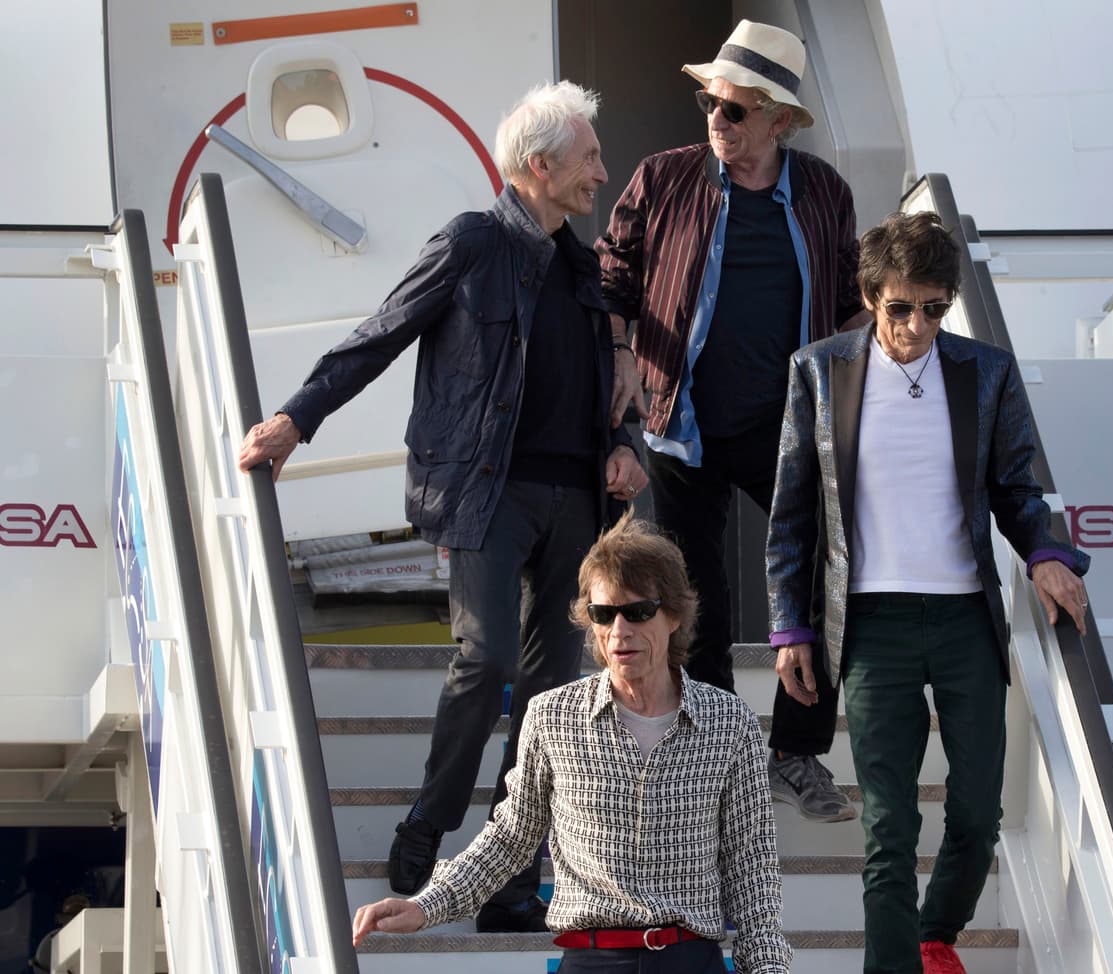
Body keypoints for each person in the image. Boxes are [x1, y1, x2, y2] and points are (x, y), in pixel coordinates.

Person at [238, 80, 647, 933]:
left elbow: (613, 390)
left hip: (574, 500)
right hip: (485, 493)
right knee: (487, 658)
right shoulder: (470, 243)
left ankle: (509, 879)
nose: (602, 174)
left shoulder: (584, 268)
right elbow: (381, 333)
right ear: (540, 166)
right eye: (589, 158)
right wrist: (296, 419)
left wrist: (626, 446)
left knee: (550, 696)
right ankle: (430, 818)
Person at [765, 211, 1090, 974]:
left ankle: (934, 933)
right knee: (890, 828)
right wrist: (790, 628)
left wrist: (1045, 553)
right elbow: (793, 511)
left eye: (936, 308)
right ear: (870, 296)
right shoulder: (819, 370)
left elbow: (1016, 486)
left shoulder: (986, 371)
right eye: (901, 307)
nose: (918, 325)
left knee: (977, 814)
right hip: (870, 624)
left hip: (964, 619)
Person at [597, 19, 863, 823]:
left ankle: (796, 752)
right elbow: (611, 271)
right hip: (680, 423)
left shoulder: (824, 192)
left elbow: (852, 297)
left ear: (779, 121)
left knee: (824, 575)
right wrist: (620, 354)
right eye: (711, 102)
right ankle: (714, 754)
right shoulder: (664, 176)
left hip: (787, 427)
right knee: (694, 597)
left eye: (736, 109)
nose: (718, 118)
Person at [351, 514, 791, 974]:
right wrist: (426, 905)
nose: (619, 631)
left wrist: (768, 967)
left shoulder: (728, 722)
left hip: (690, 958)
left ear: (674, 615)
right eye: (604, 614)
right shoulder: (552, 716)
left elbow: (752, 868)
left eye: (638, 611)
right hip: (590, 958)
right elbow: (509, 839)